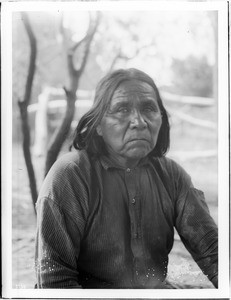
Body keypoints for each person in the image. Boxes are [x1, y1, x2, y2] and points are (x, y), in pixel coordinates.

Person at [35, 68, 218, 289]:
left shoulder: (172, 176)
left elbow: (213, 253)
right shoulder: (70, 176)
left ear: (161, 118)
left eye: (149, 108)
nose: (139, 122)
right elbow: (55, 282)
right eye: (122, 109)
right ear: (99, 125)